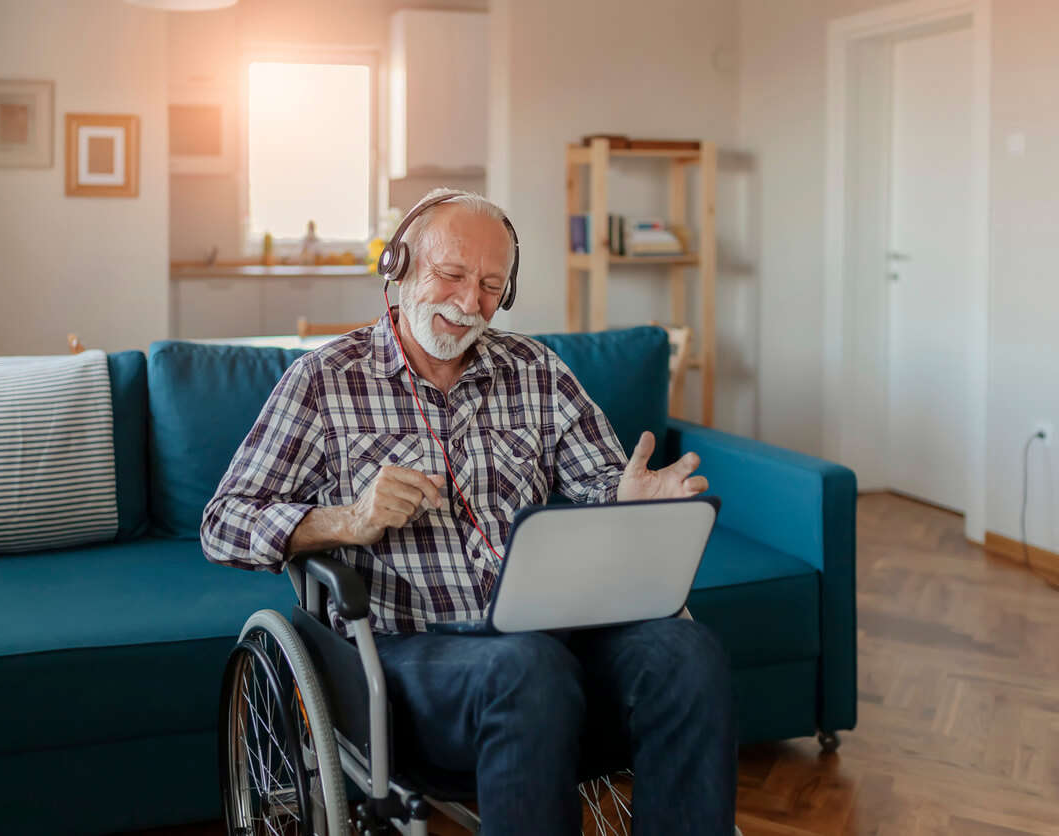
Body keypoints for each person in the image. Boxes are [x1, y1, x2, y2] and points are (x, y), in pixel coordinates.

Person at [201, 189, 736, 835]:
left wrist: (626, 499)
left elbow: (598, 476)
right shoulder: (324, 380)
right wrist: (346, 519)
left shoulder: (534, 370)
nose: (469, 302)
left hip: (549, 632)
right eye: (452, 275)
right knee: (526, 669)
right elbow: (224, 522)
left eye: (490, 285)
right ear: (398, 268)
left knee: (687, 652)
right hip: (409, 651)